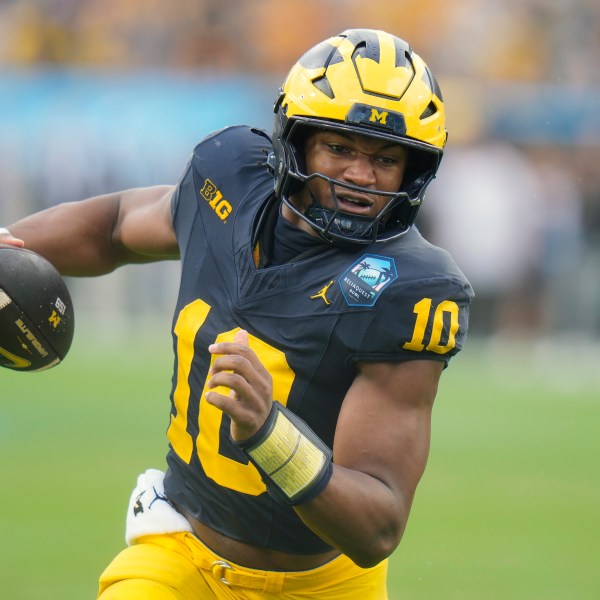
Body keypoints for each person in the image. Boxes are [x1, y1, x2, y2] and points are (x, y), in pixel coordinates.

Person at [2, 29, 473, 600]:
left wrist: (270, 433)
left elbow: (378, 522)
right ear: (296, 143)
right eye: (340, 148)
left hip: (323, 584)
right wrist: (11, 250)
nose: (359, 175)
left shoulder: (413, 289)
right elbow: (116, 224)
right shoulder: (228, 178)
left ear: (413, 173)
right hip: (183, 556)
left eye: (385, 158)